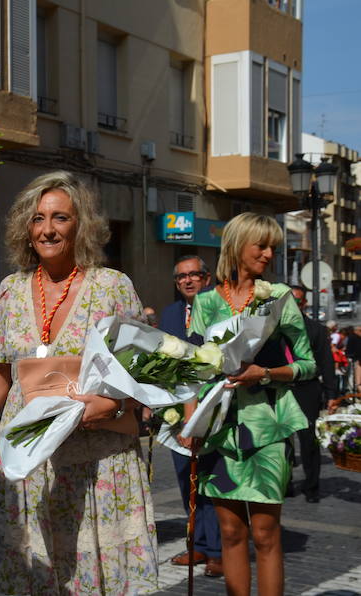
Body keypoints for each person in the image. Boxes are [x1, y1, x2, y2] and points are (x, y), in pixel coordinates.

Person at [0, 171, 159, 595]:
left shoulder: (111, 287)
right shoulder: (10, 291)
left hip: (97, 466)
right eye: (38, 218)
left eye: (60, 218)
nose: (48, 229)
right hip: (28, 465)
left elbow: (142, 377)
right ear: (25, 229)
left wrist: (114, 407)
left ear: (80, 225)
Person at [186, 213, 315, 596]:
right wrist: (190, 423)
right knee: (230, 531)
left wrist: (265, 373)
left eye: (273, 245)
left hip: (267, 428)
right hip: (218, 430)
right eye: (261, 244)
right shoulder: (206, 301)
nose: (269, 253)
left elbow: (307, 365)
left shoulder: (278, 297)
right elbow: (193, 370)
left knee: (265, 533)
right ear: (237, 245)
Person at [158, 255, 223, 577]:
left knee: (211, 480)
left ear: (206, 278)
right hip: (175, 410)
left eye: (194, 275)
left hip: (212, 407)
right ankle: (196, 544)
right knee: (187, 478)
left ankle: (218, 550)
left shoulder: (220, 310)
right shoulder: (169, 314)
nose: (187, 280)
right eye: (181, 276)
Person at [289, 285, 337, 503]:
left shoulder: (316, 329)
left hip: (307, 389)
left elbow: (327, 364)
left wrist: (331, 395)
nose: (292, 305)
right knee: (280, 441)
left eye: (297, 301)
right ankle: (284, 483)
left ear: (304, 304)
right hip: (280, 388)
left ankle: (312, 487)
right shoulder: (274, 328)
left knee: (308, 441)